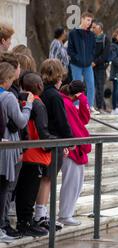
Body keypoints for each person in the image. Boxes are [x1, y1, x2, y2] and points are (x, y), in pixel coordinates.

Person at [15, 72, 55, 237]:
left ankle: (25, 221)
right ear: (40, 86)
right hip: (36, 154)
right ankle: (24, 223)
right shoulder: (37, 104)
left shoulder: (24, 103)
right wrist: (52, 145)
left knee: (25, 190)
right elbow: (42, 130)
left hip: (27, 153)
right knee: (28, 192)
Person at [35, 59, 73, 231]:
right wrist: (69, 140)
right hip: (53, 141)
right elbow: (62, 122)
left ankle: (41, 213)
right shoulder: (55, 96)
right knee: (48, 179)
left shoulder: (41, 92)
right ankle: (40, 215)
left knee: (45, 178)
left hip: (42, 140)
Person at [0, 62, 34, 241]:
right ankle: (1, 226)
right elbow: (21, 121)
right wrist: (28, 106)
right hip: (6, 146)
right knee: (5, 187)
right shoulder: (7, 97)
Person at [58, 81, 92, 226]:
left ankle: (67, 213)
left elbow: (83, 119)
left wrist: (83, 101)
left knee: (75, 183)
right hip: (71, 148)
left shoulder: (68, 102)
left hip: (74, 148)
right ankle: (65, 215)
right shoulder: (66, 103)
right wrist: (85, 144)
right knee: (71, 183)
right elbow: (76, 127)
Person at [67, 12, 97, 112]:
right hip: (76, 64)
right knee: (77, 84)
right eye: (88, 20)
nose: (89, 23)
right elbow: (70, 50)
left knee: (91, 83)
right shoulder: (73, 33)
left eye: (91, 21)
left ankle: (90, 105)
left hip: (87, 64)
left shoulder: (92, 35)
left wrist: (90, 59)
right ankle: (76, 104)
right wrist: (77, 58)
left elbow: (93, 49)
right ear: (82, 19)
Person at [91, 22, 110, 113]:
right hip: (90, 66)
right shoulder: (92, 38)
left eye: (96, 28)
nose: (94, 30)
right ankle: (91, 106)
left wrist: (96, 62)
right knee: (90, 86)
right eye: (94, 28)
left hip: (100, 67)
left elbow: (105, 54)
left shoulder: (105, 39)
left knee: (100, 87)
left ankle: (100, 106)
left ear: (101, 29)